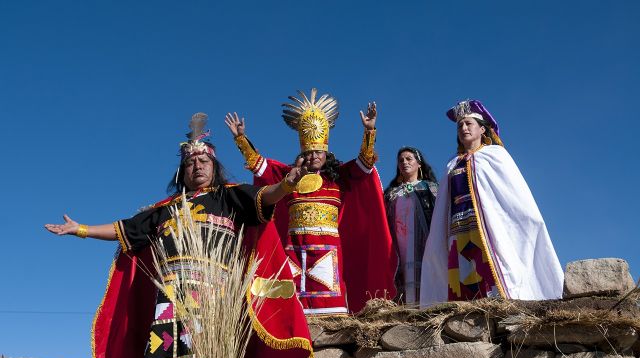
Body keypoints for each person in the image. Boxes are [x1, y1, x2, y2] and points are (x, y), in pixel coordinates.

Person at [45, 113, 313, 358]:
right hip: (170, 299)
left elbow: (266, 196)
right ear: (182, 172)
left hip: (215, 298)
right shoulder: (164, 209)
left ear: (214, 167)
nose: (197, 167)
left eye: (204, 162)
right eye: (190, 163)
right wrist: (81, 229)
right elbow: (125, 229)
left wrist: (286, 185)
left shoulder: (229, 197)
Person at [227, 88, 397, 315]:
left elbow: (364, 165)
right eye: (309, 152)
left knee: (329, 305)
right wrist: (241, 139)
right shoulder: (290, 176)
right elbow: (261, 166)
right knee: (293, 303)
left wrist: (369, 131)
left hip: (328, 248)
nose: (314, 156)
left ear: (326, 152)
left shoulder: (338, 178)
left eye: (318, 151)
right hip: (294, 246)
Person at [420, 100, 564, 306]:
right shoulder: (452, 163)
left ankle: (497, 306)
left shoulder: (496, 156)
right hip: (458, 227)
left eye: (469, 123)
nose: (463, 128)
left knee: (490, 266)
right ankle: (465, 311)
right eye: (460, 126)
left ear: (482, 128)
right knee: (461, 270)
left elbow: (512, 196)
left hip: (488, 226)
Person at [384, 147, 438, 304]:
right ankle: (401, 308)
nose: (404, 162)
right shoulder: (391, 193)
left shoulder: (431, 188)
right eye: (401, 160)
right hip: (397, 242)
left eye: (409, 159)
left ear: (419, 164)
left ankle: (426, 305)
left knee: (422, 271)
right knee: (400, 273)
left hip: (423, 240)